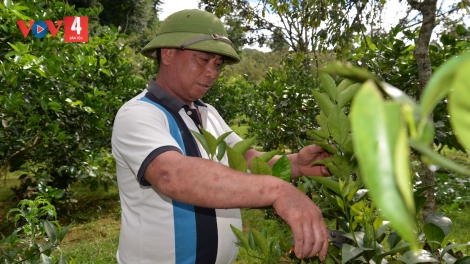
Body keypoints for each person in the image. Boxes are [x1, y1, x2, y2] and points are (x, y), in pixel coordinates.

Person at [112, 9, 331, 264]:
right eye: (203, 59)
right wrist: (277, 190)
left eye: (217, 64)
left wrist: (297, 164)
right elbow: (171, 174)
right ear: (168, 53)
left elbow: (246, 159)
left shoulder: (207, 112)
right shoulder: (139, 114)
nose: (212, 72)